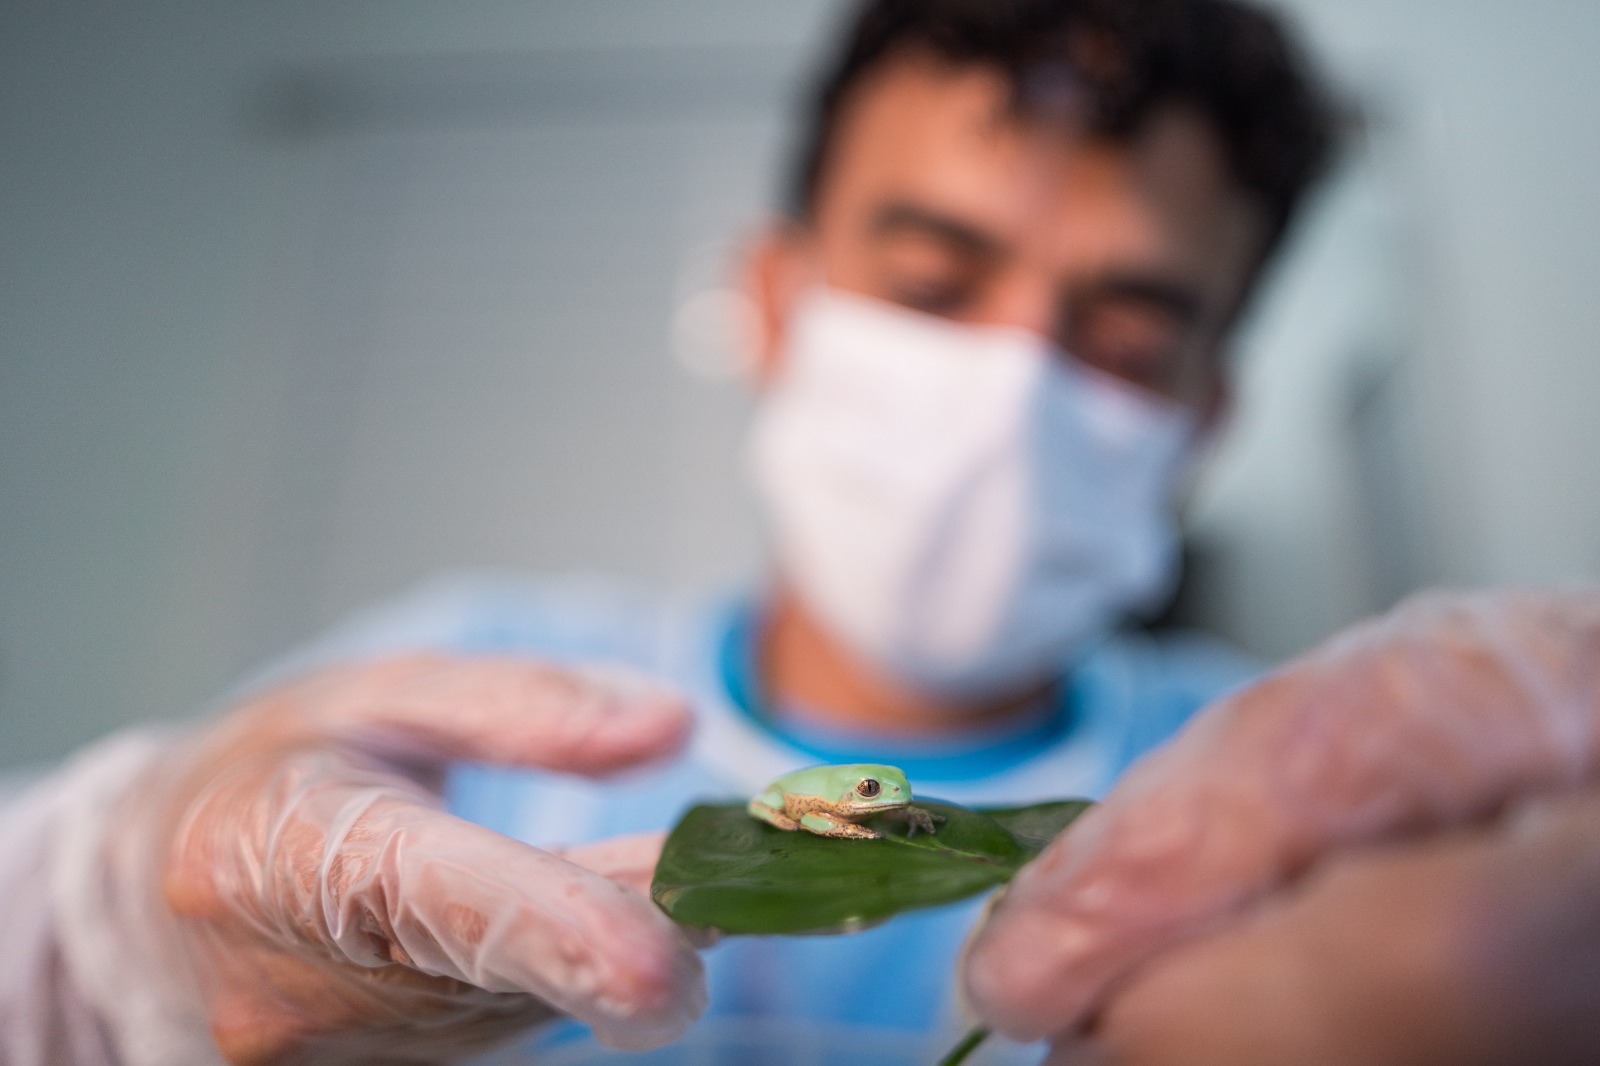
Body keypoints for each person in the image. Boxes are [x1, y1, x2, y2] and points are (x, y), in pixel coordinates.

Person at [0, 0, 1372, 1062]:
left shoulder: (1301, 788)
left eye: (1126, 339)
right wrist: (118, 922)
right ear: (773, 299)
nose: (1012, 391)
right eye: (931, 282)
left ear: (1206, 414)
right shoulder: (463, 703)